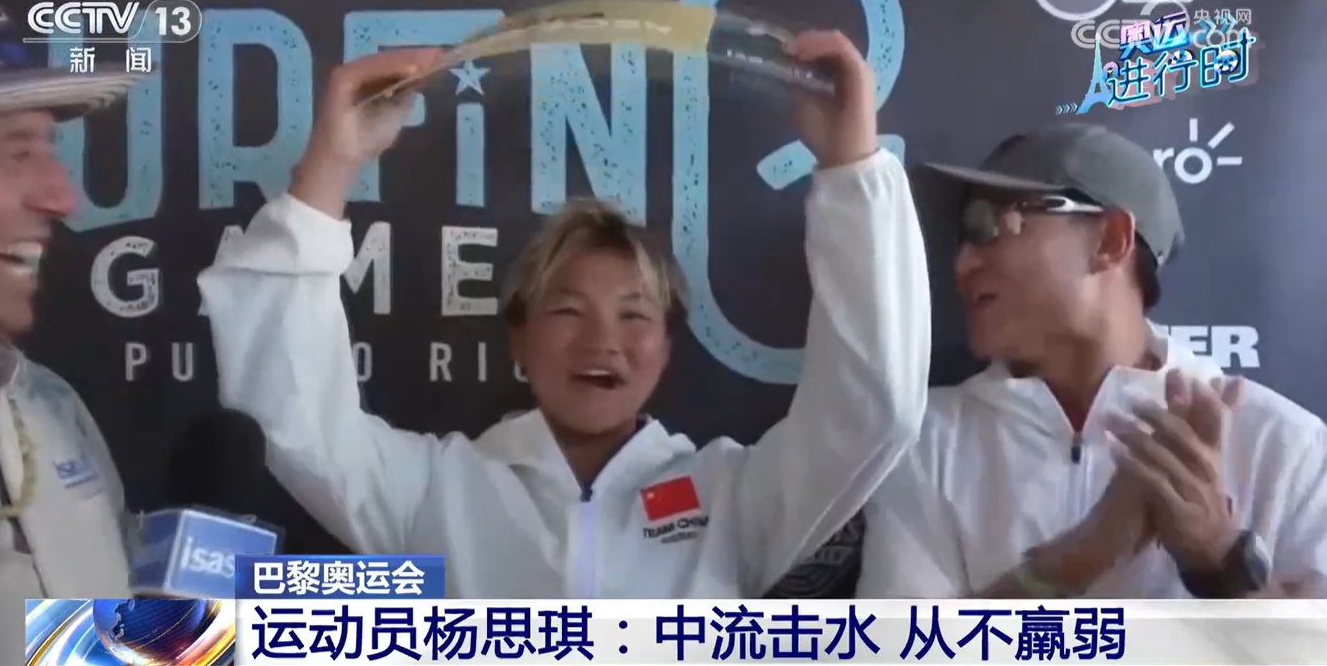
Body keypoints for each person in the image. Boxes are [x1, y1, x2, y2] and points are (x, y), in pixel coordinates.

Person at [199, 31, 931, 597]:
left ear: (667, 347)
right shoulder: (433, 488)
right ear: (518, 337)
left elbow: (873, 409)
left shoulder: (734, 496)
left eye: (635, 316)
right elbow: (289, 413)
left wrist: (851, 166)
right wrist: (330, 165)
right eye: (569, 311)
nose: (602, 341)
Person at [857, 123, 1327, 598]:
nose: (962, 265)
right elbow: (904, 639)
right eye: (960, 238)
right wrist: (1083, 554)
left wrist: (1218, 553)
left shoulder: (1284, 446)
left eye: (988, 226)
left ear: (1110, 240)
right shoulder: (926, 443)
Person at [0, 0, 150, 664]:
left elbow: (101, 646)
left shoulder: (49, 405)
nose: (63, 198)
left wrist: (414, 633)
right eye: (16, 152)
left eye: (49, 148)